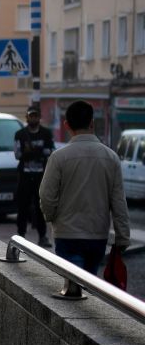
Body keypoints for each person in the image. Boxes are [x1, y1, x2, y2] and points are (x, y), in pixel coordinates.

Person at [40, 100, 130, 274]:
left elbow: (46, 196)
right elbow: (118, 200)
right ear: (92, 123)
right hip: (97, 235)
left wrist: (51, 217)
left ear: (66, 125)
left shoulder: (58, 158)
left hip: (67, 233)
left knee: (72, 288)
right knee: (90, 284)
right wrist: (122, 237)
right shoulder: (111, 158)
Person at [14, 106, 55, 247]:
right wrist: (37, 152)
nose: (33, 118)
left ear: (39, 117)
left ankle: (43, 236)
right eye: (31, 116)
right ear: (27, 117)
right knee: (22, 207)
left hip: (40, 176)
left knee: (40, 207)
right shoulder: (20, 134)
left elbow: (50, 151)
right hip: (25, 176)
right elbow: (18, 154)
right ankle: (21, 235)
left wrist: (31, 151)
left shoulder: (46, 133)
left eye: (36, 116)